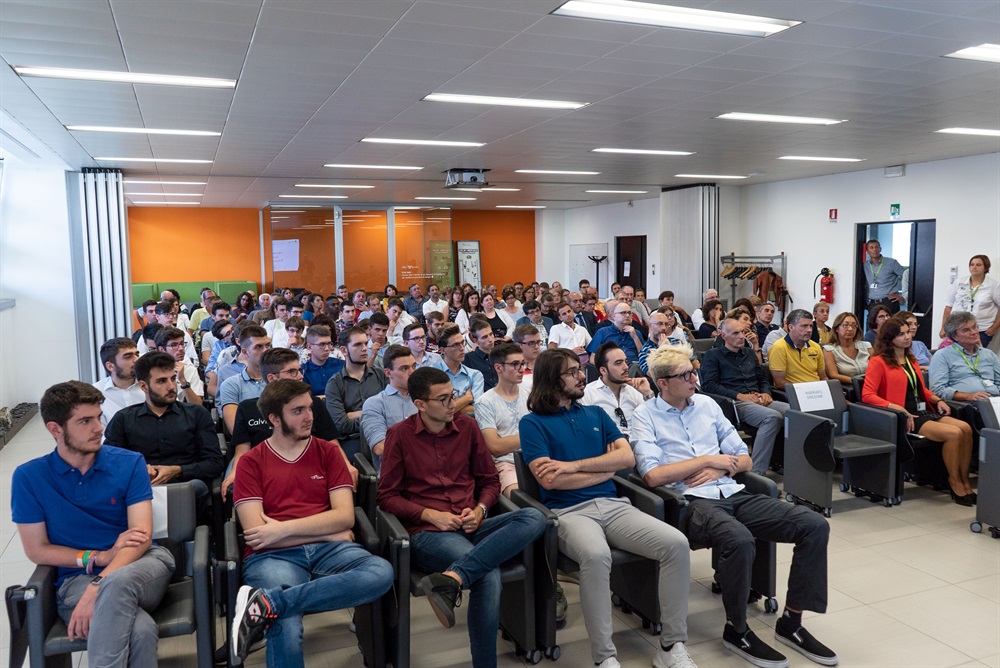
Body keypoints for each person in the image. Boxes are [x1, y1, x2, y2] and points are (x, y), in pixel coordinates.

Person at [633, 344, 837, 668]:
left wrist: (719, 467)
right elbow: (653, 475)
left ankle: (792, 621)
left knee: (814, 526)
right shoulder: (645, 415)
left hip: (732, 491)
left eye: (693, 371)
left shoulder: (707, 405)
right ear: (663, 383)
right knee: (739, 539)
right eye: (685, 375)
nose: (694, 378)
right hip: (690, 502)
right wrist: (708, 460)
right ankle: (737, 629)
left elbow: (745, 458)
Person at [519, 349, 695, 668]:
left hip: (614, 505)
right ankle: (605, 657)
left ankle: (671, 645)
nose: (580, 376)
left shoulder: (596, 414)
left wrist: (573, 466)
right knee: (597, 556)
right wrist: (603, 468)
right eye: (572, 372)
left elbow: (626, 458)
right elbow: (550, 481)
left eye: (579, 369)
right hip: (568, 513)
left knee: (676, 544)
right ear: (551, 379)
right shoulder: (532, 423)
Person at [377, 367, 547, 668]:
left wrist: (480, 509)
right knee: (488, 575)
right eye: (442, 399)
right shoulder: (400, 435)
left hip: (471, 522)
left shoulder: (467, 427)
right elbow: (386, 496)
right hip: (429, 532)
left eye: (452, 395)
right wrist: (430, 514)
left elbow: (490, 480)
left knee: (534, 517)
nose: (452, 404)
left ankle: (451, 579)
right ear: (420, 404)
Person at [230, 379, 393, 667]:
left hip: (325, 550)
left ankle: (267, 604)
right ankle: (274, 606)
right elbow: (258, 535)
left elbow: (344, 516)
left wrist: (282, 528)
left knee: (381, 572)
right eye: (298, 411)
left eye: (310, 408)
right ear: (274, 419)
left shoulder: (328, 452)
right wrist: (329, 533)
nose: (309, 417)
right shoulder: (251, 462)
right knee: (286, 626)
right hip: (273, 556)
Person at [12, 381, 176, 668]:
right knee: (140, 631)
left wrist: (97, 587)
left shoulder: (129, 463)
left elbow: (141, 537)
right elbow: (37, 549)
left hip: (142, 565)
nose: (99, 428)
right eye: (85, 421)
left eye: (99, 417)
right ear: (55, 429)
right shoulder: (29, 477)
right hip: (77, 579)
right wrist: (98, 558)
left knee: (118, 582)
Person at [862, 317, 976, 504]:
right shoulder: (878, 362)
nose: (907, 337)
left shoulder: (911, 359)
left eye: (908, 332)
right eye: (901, 334)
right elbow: (867, 395)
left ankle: (964, 480)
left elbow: (921, 389)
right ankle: (954, 481)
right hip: (904, 416)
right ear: (889, 338)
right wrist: (896, 407)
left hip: (921, 410)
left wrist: (938, 400)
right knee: (954, 433)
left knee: (966, 429)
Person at [105, 352, 223, 517]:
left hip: (186, 487)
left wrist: (177, 470)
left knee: (195, 487)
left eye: (172, 379)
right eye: (161, 381)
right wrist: (140, 470)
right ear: (144, 386)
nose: (171, 386)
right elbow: (110, 464)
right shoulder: (123, 419)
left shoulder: (196, 414)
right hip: (141, 488)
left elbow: (215, 463)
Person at [222, 348, 346, 500]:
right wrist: (235, 473)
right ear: (272, 378)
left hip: (309, 467)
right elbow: (242, 451)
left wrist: (345, 464)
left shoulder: (313, 404)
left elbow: (332, 442)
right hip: (262, 470)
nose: (300, 376)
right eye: (292, 372)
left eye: (299, 370)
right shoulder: (248, 408)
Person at [701, 318, 789, 475]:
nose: (742, 336)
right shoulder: (713, 355)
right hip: (735, 402)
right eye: (736, 333)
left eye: (743, 332)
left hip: (758, 397)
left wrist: (766, 393)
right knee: (772, 417)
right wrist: (739, 395)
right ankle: (756, 473)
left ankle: (784, 461)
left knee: (793, 411)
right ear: (723, 335)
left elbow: (762, 378)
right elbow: (709, 385)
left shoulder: (749, 353)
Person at [474, 343, 530, 498]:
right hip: (506, 464)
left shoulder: (530, 394)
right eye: (515, 364)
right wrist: (532, 435)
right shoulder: (485, 402)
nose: (521, 369)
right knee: (521, 498)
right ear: (498, 368)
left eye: (522, 363)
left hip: (535, 457)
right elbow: (495, 447)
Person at [325, 326, 387, 461]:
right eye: (358, 345)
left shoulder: (381, 375)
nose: (365, 349)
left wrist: (355, 414)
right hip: (353, 440)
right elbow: (340, 424)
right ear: (344, 350)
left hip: (382, 434)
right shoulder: (334, 384)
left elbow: (391, 410)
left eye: (366, 343)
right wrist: (375, 415)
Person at [361, 344, 418, 474]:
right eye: (404, 368)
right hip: (394, 474)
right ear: (388, 373)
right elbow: (380, 447)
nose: (412, 373)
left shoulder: (425, 399)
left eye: (414, 366)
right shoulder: (375, 404)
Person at [582, 342, 654, 441]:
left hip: (639, 445)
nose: (626, 367)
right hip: (608, 446)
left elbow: (654, 423)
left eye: (626, 361)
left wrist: (648, 394)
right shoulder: (588, 394)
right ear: (603, 370)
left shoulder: (635, 392)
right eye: (618, 363)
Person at [929, 311, 1000, 405]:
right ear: (955, 336)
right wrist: (968, 396)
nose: (974, 332)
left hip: (994, 401)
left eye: (974, 327)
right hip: (968, 404)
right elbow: (938, 390)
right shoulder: (942, 356)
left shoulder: (989, 354)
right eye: (966, 330)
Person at [219, 324, 271, 435]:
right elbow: (236, 430)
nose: (265, 351)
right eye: (258, 347)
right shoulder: (231, 384)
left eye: (267, 345)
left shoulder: (279, 380)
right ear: (245, 352)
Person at [941, 254, 1000, 347]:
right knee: (953, 354)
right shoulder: (960, 282)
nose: (974, 267)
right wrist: (943, 327)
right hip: (956, 329)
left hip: (979, 331)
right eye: (972, 264)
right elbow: (949, 306)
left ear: (986, 267)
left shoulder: (993, 286)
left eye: (978, 265)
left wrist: (994, 328)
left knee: (973, 355)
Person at [768, 309, 828, 389]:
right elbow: (780, 382)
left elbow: (823, 377)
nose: (809, 330)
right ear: (791, 327)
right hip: (795, 391)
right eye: (804, 326)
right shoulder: (779, 348)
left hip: (817, 390)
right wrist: (805, 390)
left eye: (811, 326)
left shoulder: (816, 347)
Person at [93, 337, 144, 425]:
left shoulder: (150, 385)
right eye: (128, 357)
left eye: (137, 354)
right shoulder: (96, 393)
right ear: (110, 366)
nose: (136, 360)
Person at [435, 325, 485, 415]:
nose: (462, 348)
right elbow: (434, 411)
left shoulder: (475, 375)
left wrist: (447, 408)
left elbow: (479, 410)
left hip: (467, 423)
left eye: (462, 343)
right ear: (442, 350)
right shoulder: (432, 373)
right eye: (455, 345)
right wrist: (466, 399)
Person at [154, 326, 204, 405]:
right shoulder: (151, 370)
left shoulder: (189, 369)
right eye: (174, 345)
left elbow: (197, 405)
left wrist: (183, 381)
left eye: (182, 344)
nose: (181, 348)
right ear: (162, 349)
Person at [822, 312, 872, 385]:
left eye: (854, 325)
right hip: (850, 386)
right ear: (837, 328)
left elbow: (878, 367)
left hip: (871, 383)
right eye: (845, 325)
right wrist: (857, 382)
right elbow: (833, 375)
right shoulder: (829, 350)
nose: (850, 329)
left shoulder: (866, 346)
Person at [863, 239, 906, 314]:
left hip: (889, 302)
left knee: (891, 322)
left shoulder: (891, 263)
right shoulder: (865, 265)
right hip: (873, 303)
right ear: (867, 251)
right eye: (871, 247)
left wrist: (903, 296)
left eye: (876, 247)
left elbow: (908, 276)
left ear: (880, 249)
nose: (874, 249)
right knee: (871, 321)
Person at [301, 325, 345, 398]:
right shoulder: (303, 372)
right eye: (322, 344)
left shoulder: (342, 365)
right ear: (309, 347)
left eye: (329, 343)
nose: (327, 348)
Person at [464, 318, 500, 391]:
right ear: (475, 340)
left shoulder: (501, 355)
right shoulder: (468, 359)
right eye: (484, 337)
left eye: (491, 334)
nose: (490, 340)